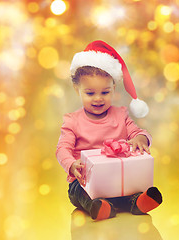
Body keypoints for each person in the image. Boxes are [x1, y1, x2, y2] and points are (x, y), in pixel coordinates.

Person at [56, 40, 162, 221]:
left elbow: (137, 132)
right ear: (77, 90)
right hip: (84, 181)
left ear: (113, 89)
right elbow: (62, 149)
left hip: (118, 181)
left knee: (129, 190)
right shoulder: (72, 121)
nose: (98, 99)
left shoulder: (120, 115)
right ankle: (98, 207)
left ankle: (139, 202)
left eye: (105, 92)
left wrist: (142, 139)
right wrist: (71, 165)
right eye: (90, 93)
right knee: (83, 193)